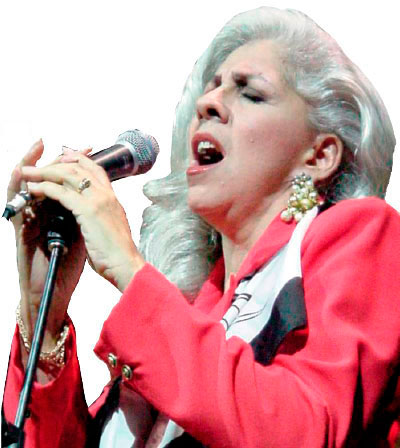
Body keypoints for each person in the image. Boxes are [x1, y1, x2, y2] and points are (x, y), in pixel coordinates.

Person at [2, 5, 400, 447]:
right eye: (211, 89)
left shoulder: (362, 233)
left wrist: (128, 268)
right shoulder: (187, 312)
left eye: (251, 94)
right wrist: (44, 313)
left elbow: (308, 430)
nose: (206, 104)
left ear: (320, 155)